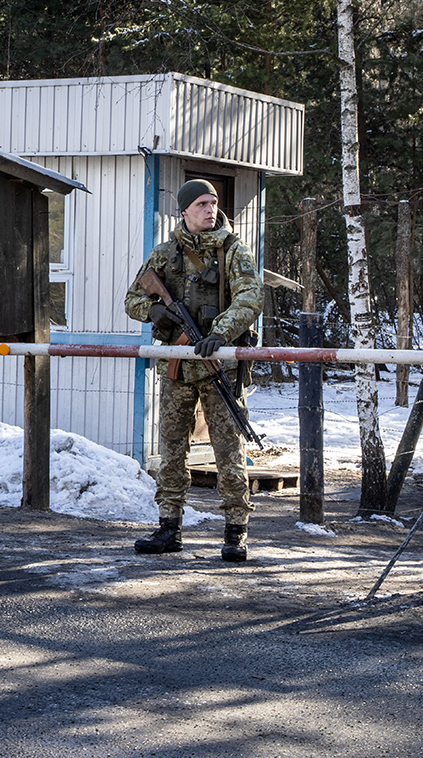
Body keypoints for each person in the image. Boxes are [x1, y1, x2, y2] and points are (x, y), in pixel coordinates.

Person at [123, 179, 262, 562]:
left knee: (229, 452)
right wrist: (154, 311)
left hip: (219, 365)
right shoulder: (166, 254)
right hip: (179, 366)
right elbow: (132, 299)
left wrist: (219, 333)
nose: (209, 209)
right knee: (170, 450)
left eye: (213, 203)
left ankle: (236, 532)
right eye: (201, 203)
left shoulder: (234, 250)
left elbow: (252, 297)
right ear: (184, 210)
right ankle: (169, 527)